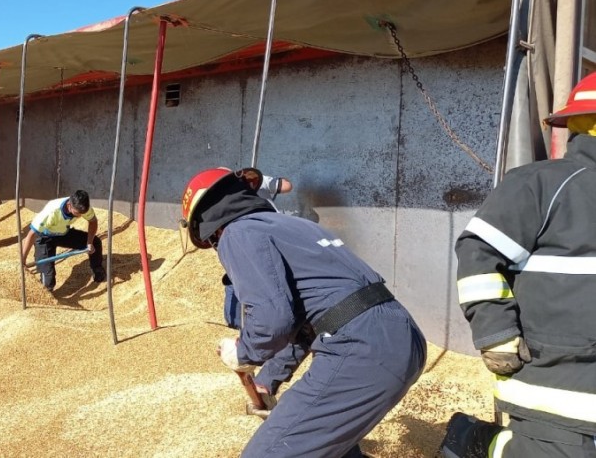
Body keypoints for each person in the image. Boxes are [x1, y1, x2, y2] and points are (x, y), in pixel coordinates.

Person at [181, 167, 426, 457]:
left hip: (361, 349)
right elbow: (313, 320)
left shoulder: (237, 233)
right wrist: (267, 379)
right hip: (400, 338)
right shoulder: (296, 227)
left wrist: (244, 351)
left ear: (210, 227)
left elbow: (274, 320)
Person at [439, 73, 596, 457]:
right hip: (558, 382)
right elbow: (478, 252)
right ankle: (480, 445)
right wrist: (496, 333)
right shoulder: (545, 183)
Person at [220, 171, 309, 418]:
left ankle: (260, 384)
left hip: (261, 260)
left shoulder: (238, 223)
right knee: (288, 324)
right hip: (266, 257)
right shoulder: (243, 223)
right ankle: (260, 383)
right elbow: (287, 185)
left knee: (284, 323)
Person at [21, 190, 106, 291]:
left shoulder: (83, 207)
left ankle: (97, 269)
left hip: (63, 233)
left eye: (81, 214)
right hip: (44, 237)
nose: (79, 216)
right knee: (48, 284)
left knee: (95, 242)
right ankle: (46, 287)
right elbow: (31, 234)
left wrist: (89, 243)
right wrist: (23, 260)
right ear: (69, 205)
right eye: (77, 213)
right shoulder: (51, 211)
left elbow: (93, 221)